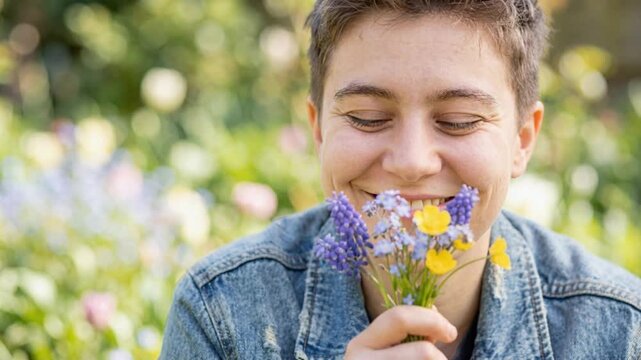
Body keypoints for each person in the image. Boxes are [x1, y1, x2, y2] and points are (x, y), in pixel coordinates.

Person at [160, 1, 641, 359]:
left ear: (522, 139)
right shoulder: (221, 313)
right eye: (368, 118)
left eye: (458, 120)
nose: (412, 162)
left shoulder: (619, 330)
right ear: (318, 129)